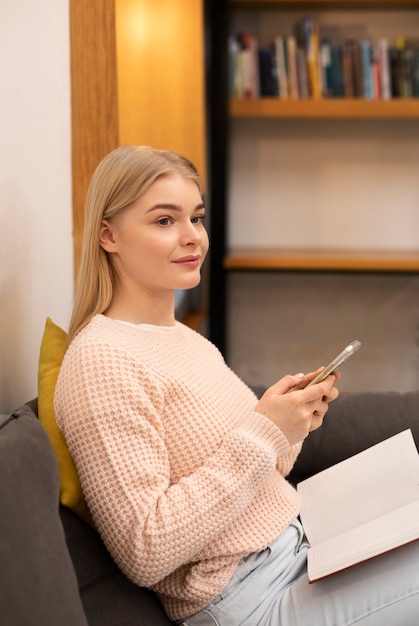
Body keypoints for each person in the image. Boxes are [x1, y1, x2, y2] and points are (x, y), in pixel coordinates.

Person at [54, 145, 419, 625]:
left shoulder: (187, 340)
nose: (192, 238)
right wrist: (263, 431)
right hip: (248, 600)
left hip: (301, 551)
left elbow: (254, 468)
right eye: (165, 221)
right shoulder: (100, 361)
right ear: (109, 235)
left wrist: (289, 422)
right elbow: (146, 548)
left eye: (196, 218)